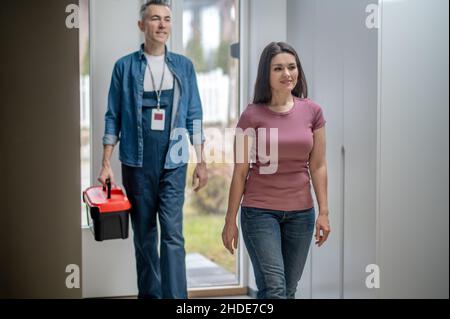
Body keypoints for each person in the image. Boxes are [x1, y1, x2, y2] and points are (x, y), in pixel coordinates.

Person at [98, 0, 208, 299]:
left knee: (173, 235)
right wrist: (106, 163)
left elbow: (194, 114)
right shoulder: (124, 67)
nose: (162, 25)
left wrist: (201, 161)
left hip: (174, 161)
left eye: (167, 19)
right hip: (136, 162)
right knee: (145, 238)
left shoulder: (184, 66)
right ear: (141, 25)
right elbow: (113, 117)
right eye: (155, 19)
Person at [222, 42, 330, 299]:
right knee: (275, 290)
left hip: (301, 214)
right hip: (260, 212)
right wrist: (230, 220)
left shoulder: (313, 112)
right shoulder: (251, 115)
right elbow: (240, 171)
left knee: (288, 290)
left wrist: (324, 212)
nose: (287, 74)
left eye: (292, 67)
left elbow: (318, 165)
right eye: (278, 68)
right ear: (266, 75)